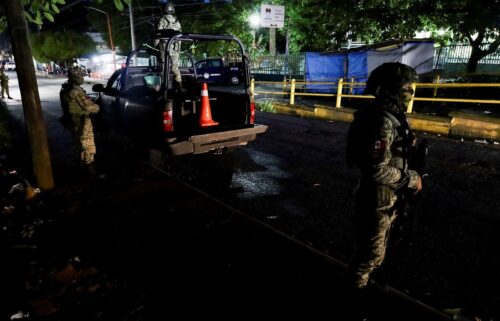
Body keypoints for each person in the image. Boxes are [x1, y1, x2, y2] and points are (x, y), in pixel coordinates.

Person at [345, 62, 423, 293]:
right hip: (377, 199)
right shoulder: (382, 120)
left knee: (379, 254)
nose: (410, 91)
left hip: (388, 196)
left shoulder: (391, 115)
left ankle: (366, 291)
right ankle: (353, 299)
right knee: (369, 257)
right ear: (392, 88)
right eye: (407, 86)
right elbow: (376, 169)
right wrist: (412, 178)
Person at [60, 66, 100, 176]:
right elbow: (90, 108)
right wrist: (97, 107)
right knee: (88, 146)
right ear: (74, 77)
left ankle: (80, 168)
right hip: (82, 122)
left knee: (79, 146)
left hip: (73, 122)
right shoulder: (76, 91)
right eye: (80, 75)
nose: (82, 77)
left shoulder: (65, 88)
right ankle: (90, 172)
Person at [155, 2, 182, 86]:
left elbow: (158, 34)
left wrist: (155, 46)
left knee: (164, 67)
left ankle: (164, 88)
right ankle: (179, 86)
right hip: (175, 48)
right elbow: (180, 34)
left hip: (165, 47)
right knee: (175, 67)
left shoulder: (162, 20)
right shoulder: (176, 21)